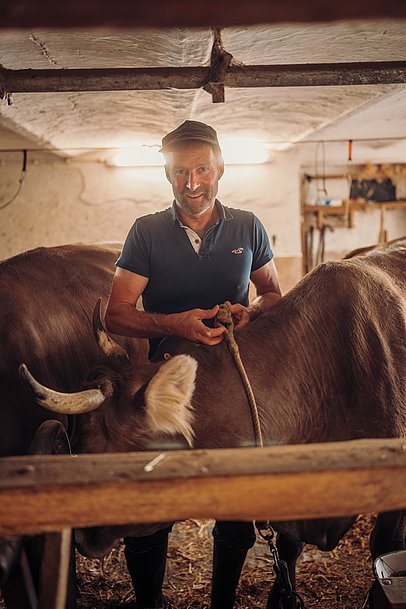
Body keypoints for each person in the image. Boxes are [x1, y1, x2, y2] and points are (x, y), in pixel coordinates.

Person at [105, 120, 282, 609]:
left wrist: (252, 311)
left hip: (238, 386)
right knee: (152, 501)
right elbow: (115, 313)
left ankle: (221, 602)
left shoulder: (249, 226)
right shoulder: (146, 232)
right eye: (180, 171)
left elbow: (272, 294)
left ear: (219, 167)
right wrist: (177, 325)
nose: (192, 183)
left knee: (236, 505)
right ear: (167, 175)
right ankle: (150, 602)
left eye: (202, 169)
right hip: (165, 388)